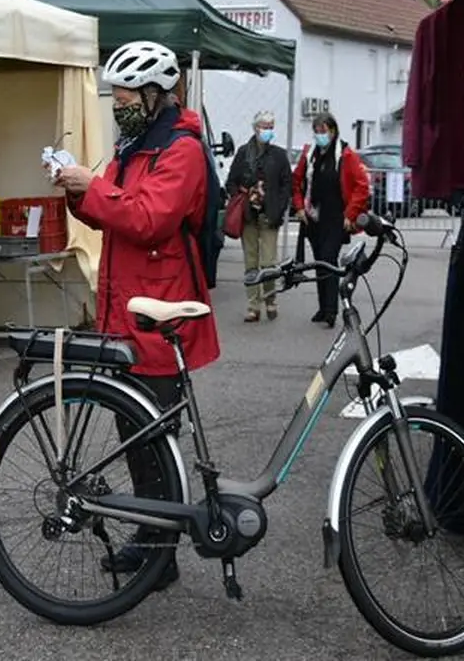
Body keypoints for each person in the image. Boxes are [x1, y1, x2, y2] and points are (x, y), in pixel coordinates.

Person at [54, 39, 219, 591]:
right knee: (134, 434)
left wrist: (93, 188)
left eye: (124, 97)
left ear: (153, 94)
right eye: (116, 97)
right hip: (127, 306)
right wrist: (77, 191)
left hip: (159, 310)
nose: (118, 105)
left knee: (155, 438)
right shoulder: (135, 144)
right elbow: (114, 213)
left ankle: (159, 553)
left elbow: (150, 219)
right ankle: (153, 545)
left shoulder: (181, 149)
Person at [291, 112, 370, 328]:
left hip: (336, 218)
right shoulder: (310, 154)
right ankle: (322, 307)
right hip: (313, 217)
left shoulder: (345, 154)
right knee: (319, 262)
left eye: (323, 131)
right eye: (316, 131)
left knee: (328, 259)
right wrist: (299, 207)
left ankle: (331, 311)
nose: (320, 135)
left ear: (333, 131)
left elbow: (362, 186)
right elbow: (296, 181)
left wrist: (350, 214)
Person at [225, 110, 292, 323]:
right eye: (264, 126)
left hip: (270, 215)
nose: (268, 130)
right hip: (248, 215)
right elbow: (231, 182)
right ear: (255, 128)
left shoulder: (279, 155)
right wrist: (241, 196)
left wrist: (279, 209)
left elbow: (286, 185)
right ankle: (253, 305)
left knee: (269, 262)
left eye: (271, 127)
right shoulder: (244, 153)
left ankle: (270, 300)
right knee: (251, 262)